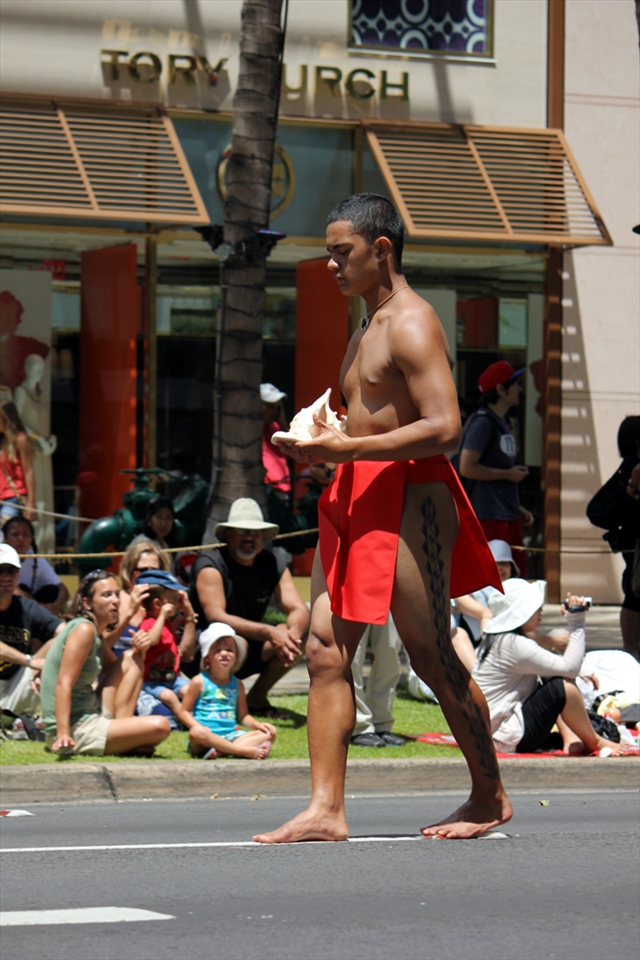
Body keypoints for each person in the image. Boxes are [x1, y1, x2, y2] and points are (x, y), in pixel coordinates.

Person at [255, 193, 509, 844]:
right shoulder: (366, 325)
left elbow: (446, 427)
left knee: (430, 653)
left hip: (411, 494)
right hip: (353, 492)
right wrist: (324, 438)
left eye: (342, 253)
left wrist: (348, 447)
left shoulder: (411, 322)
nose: (331, 266)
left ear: (382, 250)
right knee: (322, 652)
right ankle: (326, 809)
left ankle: (488, 795)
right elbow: (371, 416)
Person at [473, 579, 626, 756]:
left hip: (493, 733)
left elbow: (559, 665)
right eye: (534, 607)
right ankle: (595, 741)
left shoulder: (502, 640)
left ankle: (572, 739)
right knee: (561, 687)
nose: (540, 610)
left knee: (555, 678)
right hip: (503, 737)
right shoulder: (514, 643)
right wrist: (576, 620)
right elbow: (569, 668)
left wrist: (580, 668)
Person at [190, 498, 309, 717]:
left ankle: (256, 698)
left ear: (263, 537)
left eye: (255, 533)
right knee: (238, 638)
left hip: (246, 647)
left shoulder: (272, 563)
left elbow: (298, 609)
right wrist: (271, 632)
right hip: (204, 650)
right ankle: (219, 699)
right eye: (242, 531)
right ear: (228, 535)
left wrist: (291, 636)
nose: (249, 538)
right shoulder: (211, 563)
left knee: (298, 636)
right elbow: (216, 616)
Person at [40, 570, 171, 756]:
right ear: (87, 603)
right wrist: (62, 733)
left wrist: (140, 649)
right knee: (161, 726)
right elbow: (63, 683)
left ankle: (123, 737)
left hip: (92, 711)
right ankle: (124, 740)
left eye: (117, 595)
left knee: (130, 657)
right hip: (75, 726)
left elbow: (118, 670)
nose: (115, 600)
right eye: (106, 595)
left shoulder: (95, 634)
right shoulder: (83, 629)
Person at [458, 361, 534, 577]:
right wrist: (508, 475)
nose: (520, 389)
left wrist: (516, 507)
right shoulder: (483, 423)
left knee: (513, 578)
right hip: (489, 517)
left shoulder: (499, 422)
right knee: (494, 579)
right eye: (516, 384)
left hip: (504, 514)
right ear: (500, 389)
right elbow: (466, 467)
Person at [178, 622, 276, 760]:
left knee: (270, 733)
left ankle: (221, 752)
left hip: (232, 735)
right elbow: (184, 712)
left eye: (230, 650)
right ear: (207, 657)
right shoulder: (199, 681)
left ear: (236, 656)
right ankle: (242, 750)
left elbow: (243, 717)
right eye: (217, 650)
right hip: (206, 737)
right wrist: (198, 726)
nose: (224, 654)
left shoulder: (237, 684)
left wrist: (258, 725)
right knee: (196, 732)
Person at [587, 415, 640, 659]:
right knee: (634, 592)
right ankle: (630, 649)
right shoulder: (632, 466)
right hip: (634, 543)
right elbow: (600, 510)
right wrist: (632, 486)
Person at [0, 542, 61, 723]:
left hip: (14, 686)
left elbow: (66, 633)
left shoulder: (26, 607)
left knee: (58, 643)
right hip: (21, 669)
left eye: (11, 571)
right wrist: (31, 661)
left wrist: (44, 667)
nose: (5, 576)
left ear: (18, 575)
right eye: (0, 570)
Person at [137, 569, 197, 723]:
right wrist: (163, 615)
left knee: (191, 690)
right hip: (151, 681)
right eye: (173, 600)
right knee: (169, 696)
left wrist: (182, 618)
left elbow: (170, 641)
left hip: (172, 678)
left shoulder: (167, 623)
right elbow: (152, 640)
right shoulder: (148, 623)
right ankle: (188, 722)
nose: (178, 603)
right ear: (158, 604)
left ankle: (203, 717)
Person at [15, 353, 57, 553]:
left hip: (44, 454)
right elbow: (17, 423)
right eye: (35, 368)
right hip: (31, 453)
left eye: (41, 369)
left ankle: (47, 550)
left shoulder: (38, 395)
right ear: (26, 368)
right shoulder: (21, 392)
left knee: (46, 498)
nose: (39, 373)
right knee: (37, 498)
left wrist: (50, 438)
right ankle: (36, 549)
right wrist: (39, 438)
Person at [103, 540, 170, 658]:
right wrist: (130, 611)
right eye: (142, 570)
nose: (149, 575)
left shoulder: (165, 603)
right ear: (129, 571)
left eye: (154, 571)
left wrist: (189, 618)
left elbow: (184, 655)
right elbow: (102, 647)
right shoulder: (114, 601)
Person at [350, 614, 405, 747]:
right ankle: (359, 725)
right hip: (354, 594)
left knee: (390, 652)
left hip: (390, 594)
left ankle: (381, 723)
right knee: (354, 657)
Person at [2, 516, 69, 616]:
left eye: (25, 535)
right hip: (7, 607)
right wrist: (39, 610)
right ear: (5, 538)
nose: (21, 539)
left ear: (32, 539)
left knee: (51, 591)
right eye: (15, 534)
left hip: (32, 607)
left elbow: (63, 590)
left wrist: (54, 607)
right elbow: (15, 591)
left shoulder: (36, 559)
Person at [0, 400, 35, 524]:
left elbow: (28, 470)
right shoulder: (2, 442)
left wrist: (31, 502)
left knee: (4, 537)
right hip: (1, 497)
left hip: (13, 497)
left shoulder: (20, 439)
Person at [129, 497, 179, 571]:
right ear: (149, 519)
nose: (164, 523)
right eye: (159, 518)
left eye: (168, 518)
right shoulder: (143, 543)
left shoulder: (164, 543)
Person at [261, 382, 291, 498]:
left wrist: (282, 422)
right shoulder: (251, 431)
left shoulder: (277, 428)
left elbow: (294, 451)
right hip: (266, 491)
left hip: (283, 490)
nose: (274, 412)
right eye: (269, 407)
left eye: (276, 408)